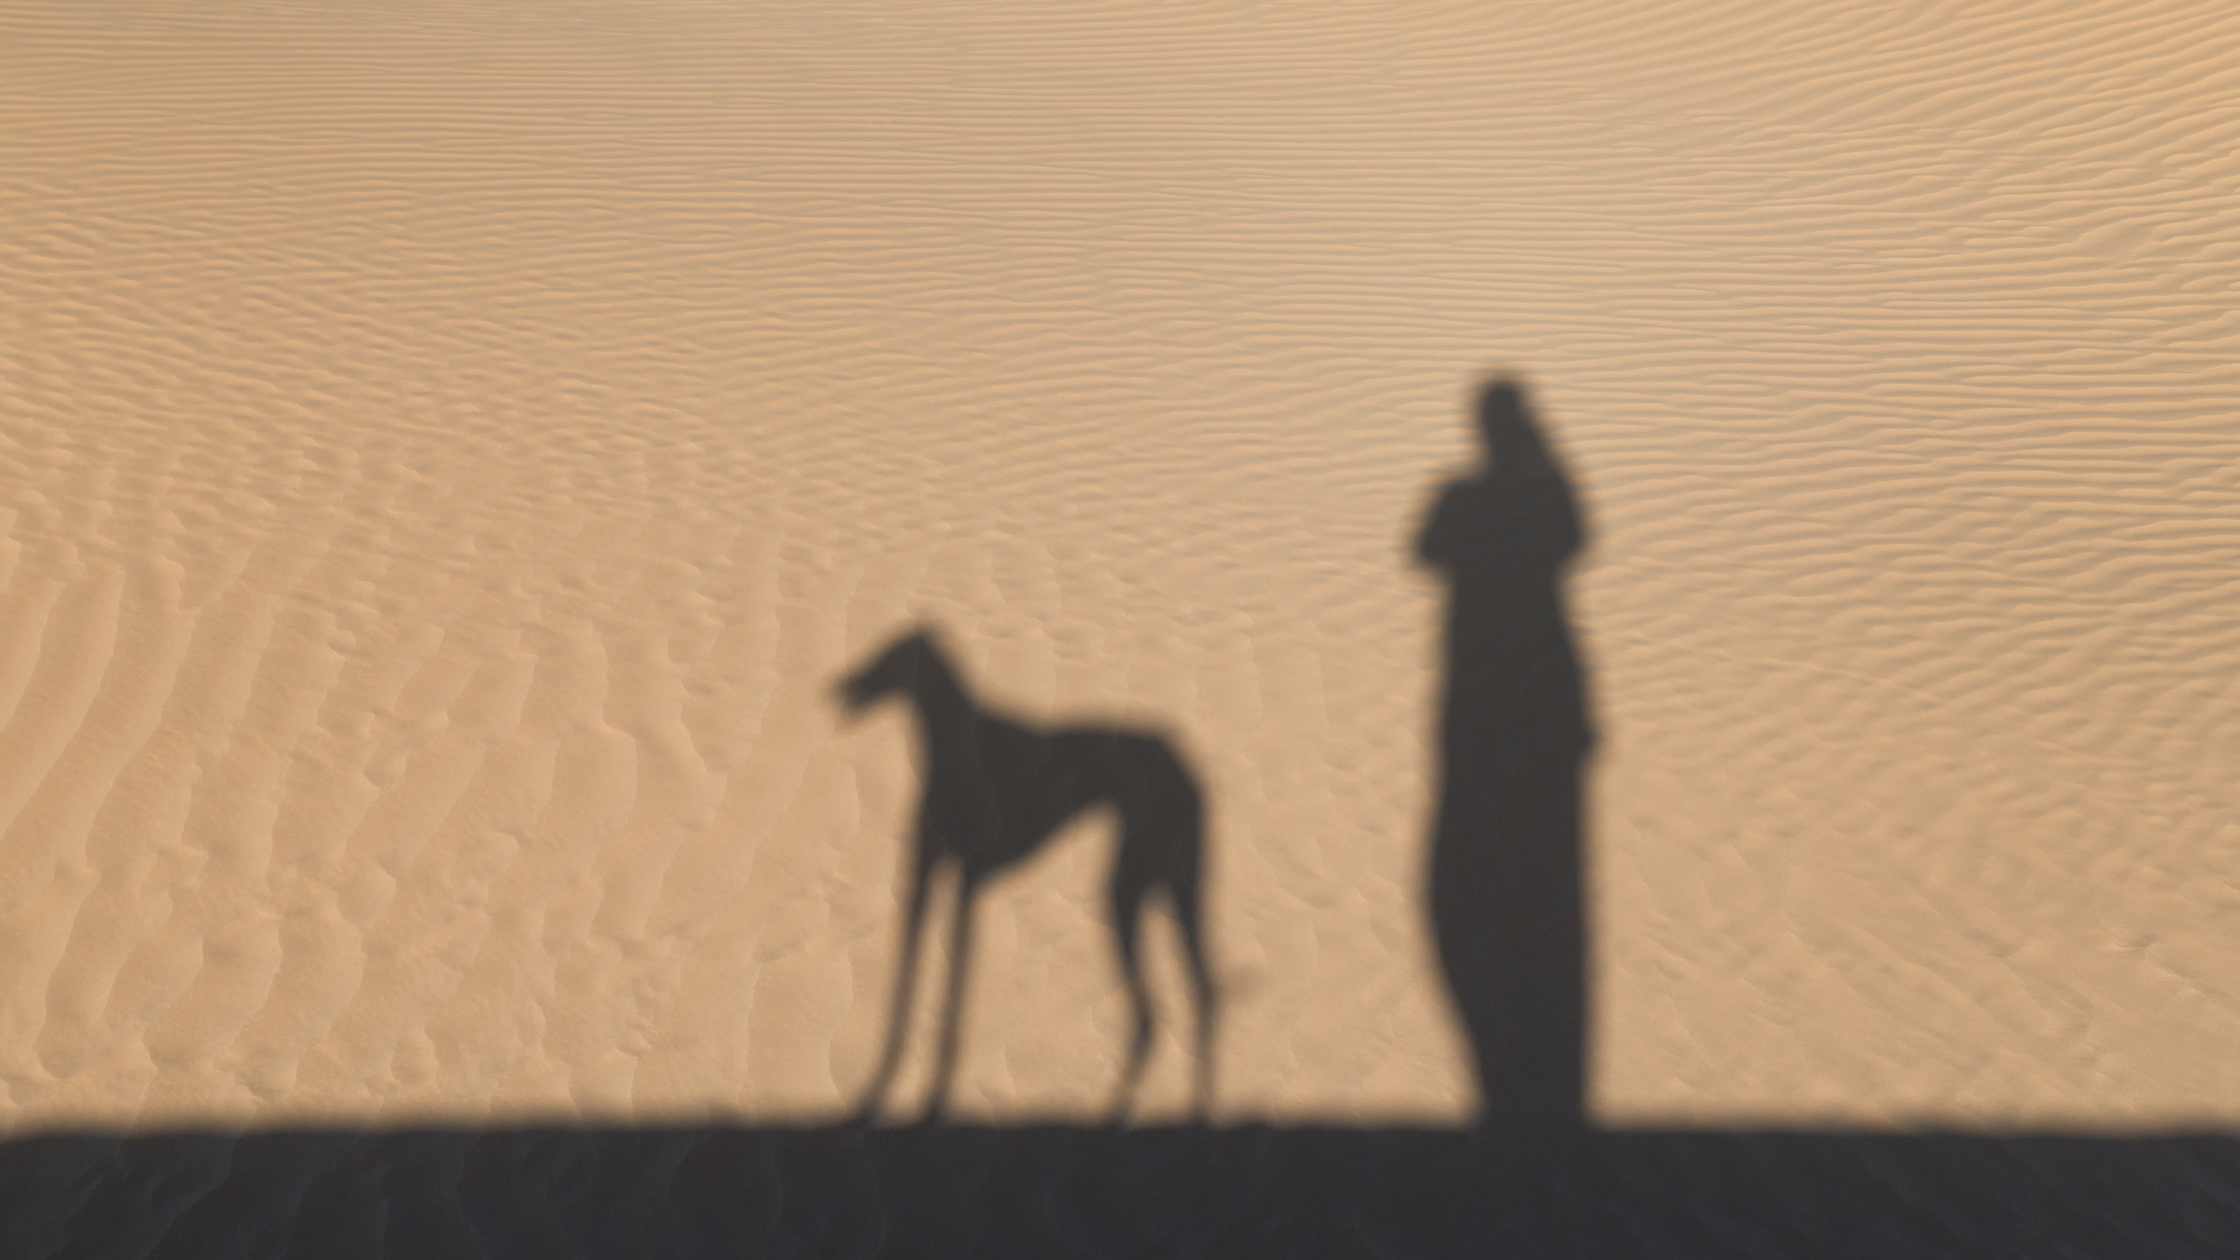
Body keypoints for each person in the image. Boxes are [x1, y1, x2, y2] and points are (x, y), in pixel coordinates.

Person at [1416, 379, 1593, 1130]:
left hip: (1531, 730)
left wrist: (1539, 460)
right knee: (1469, 900)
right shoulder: (1471, 499)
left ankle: (1534, 1088)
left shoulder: (1516, 502)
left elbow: (1576, 533)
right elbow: (1423, 549)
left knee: (1535, 905)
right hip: (1487, 730)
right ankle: (1505, 1077)